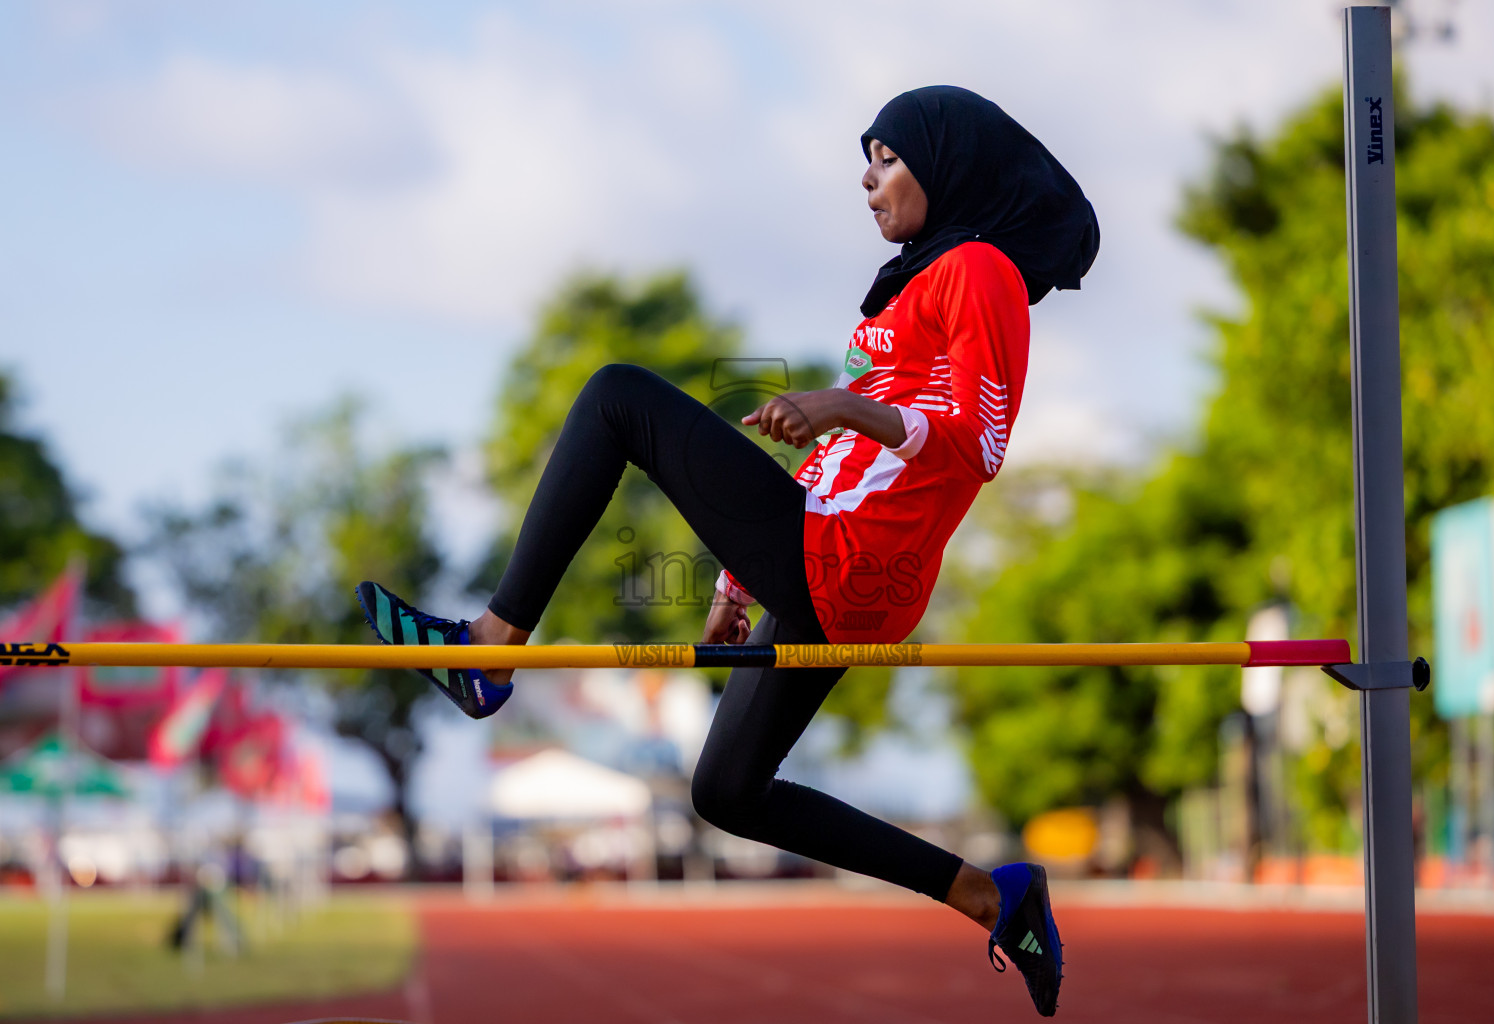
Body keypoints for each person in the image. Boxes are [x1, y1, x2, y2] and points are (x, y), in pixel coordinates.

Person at [356, 84, 1097, 1017]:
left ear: (945, 165)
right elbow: (840, 457)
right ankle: (991, 896)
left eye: (887, 160)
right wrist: (743, 576)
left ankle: (490, 650)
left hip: (860, 559)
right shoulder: (915, 282)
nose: (868, 183)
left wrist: (837, 403)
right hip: (827, 555)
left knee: (618, 397)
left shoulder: (980, 272)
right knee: (727, 789)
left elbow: (976, 444)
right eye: (862, 165)